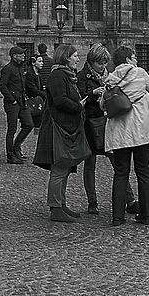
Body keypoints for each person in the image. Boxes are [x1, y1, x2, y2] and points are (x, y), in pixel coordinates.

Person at [98, 43, 149, 225]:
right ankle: (146, 215)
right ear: (129, 59)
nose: (136, 60)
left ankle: (117, 217)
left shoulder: (110, 79)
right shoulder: (140, 73)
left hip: (120, 131)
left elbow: (102, 104)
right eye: (134, 57)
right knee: (144, 171)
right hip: (141, 130)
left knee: (121, 172)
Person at [32, 44, 92, 221]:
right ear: (66, 57)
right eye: (74, 56)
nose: (77, 59)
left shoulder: (66, 75)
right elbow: (60, 101)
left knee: (64, 168)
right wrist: (78, 106)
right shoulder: (58, 76)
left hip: (67, 127)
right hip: (58, 128)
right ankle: (55, 207)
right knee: (59, 169)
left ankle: (61, 204)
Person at [75, 45, 110, 216]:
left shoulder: (108, 76)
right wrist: (92, 93)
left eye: (104, 63)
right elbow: (78, 98)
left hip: (107, 122)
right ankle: (92, 201)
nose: (103, 66)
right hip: (89, 124)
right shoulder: (81, 76)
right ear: (91, 62)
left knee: (118, 162)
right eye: (100, 63)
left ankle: (129, 199)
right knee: (90, 164)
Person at [0, 48, 30, 158]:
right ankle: (10, 155)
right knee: (12, 129)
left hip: (22, 102)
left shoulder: (21, 68)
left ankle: (16, 146)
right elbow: (2, 85)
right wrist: (12, 99)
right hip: (12, 103)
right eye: (21, 54)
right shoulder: (8, 69)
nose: (23, 56)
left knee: (29, 124)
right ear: (14, 56)